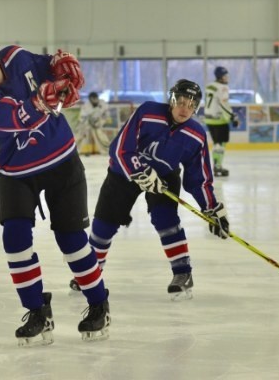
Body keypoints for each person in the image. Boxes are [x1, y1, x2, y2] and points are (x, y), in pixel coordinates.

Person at [0, 32, 110, 346]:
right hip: (16, 172)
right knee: (14, 240)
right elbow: (18, 117)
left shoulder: (18, 56)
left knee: (72, 241)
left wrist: (61, 71)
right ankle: (37, 311)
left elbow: (51, 69)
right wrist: (42, 99)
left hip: (62, 161)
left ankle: (99, 305)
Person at [70, 79, 230, 301]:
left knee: (167, 221)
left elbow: (199, 179)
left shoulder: (196, 135)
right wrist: (140, 171)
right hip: (124, 172)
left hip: (164, 176)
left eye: (191, 105)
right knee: (104, 224)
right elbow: (120, 148)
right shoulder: (147, 112)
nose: (184, 109)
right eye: (181, 102)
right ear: (172, 100)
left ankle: (183, 273)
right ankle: (91, 272)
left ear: (196, 108)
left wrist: (212, 208)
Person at [204, 66, 239, 177]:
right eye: (225, 75)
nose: (227, 78)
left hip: (209, 118)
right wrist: (232, 116)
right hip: (219, 120)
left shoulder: (209, 86)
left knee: (216, 143)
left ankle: (216, 165)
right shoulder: (223, 88)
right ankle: (217, 166)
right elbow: (223, 104)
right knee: (221, 144)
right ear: (220, 76)